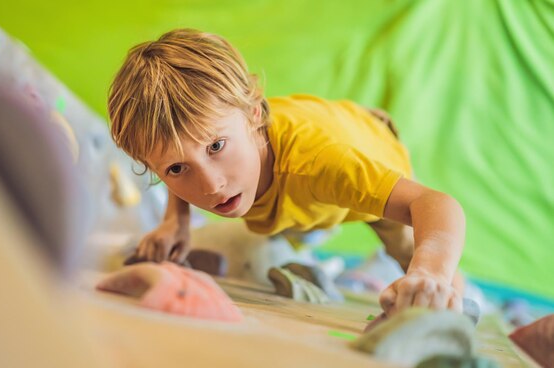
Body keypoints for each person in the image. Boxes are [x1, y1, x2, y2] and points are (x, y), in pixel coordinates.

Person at [107, 28, 465, 316]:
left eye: (216, 147)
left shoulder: (322, 166)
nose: (212, 186)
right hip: (302, 164)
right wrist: (176, 220)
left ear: (253, 116)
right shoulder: (202, 139)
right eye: (176, 169)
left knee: (418, 260)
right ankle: (304, 233)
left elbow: (436, 204)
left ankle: (454, 292)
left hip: (369, 151)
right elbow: (182, 150)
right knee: (283, 217)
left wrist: (430, 273)